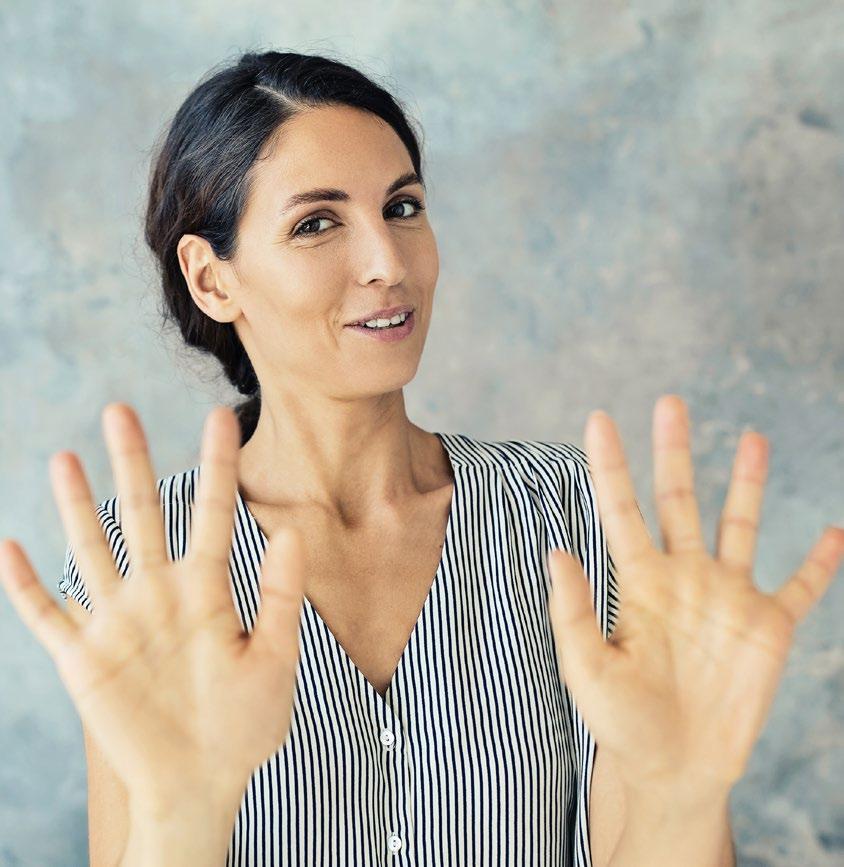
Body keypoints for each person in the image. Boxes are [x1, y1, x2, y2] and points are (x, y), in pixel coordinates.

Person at [1, 49, 841, 867]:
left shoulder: (564, 509)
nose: (388, 262)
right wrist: (179, 812)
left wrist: (683, 794)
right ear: (212, 279)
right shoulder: (143, 561)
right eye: (316, 223)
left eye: (402, 207)